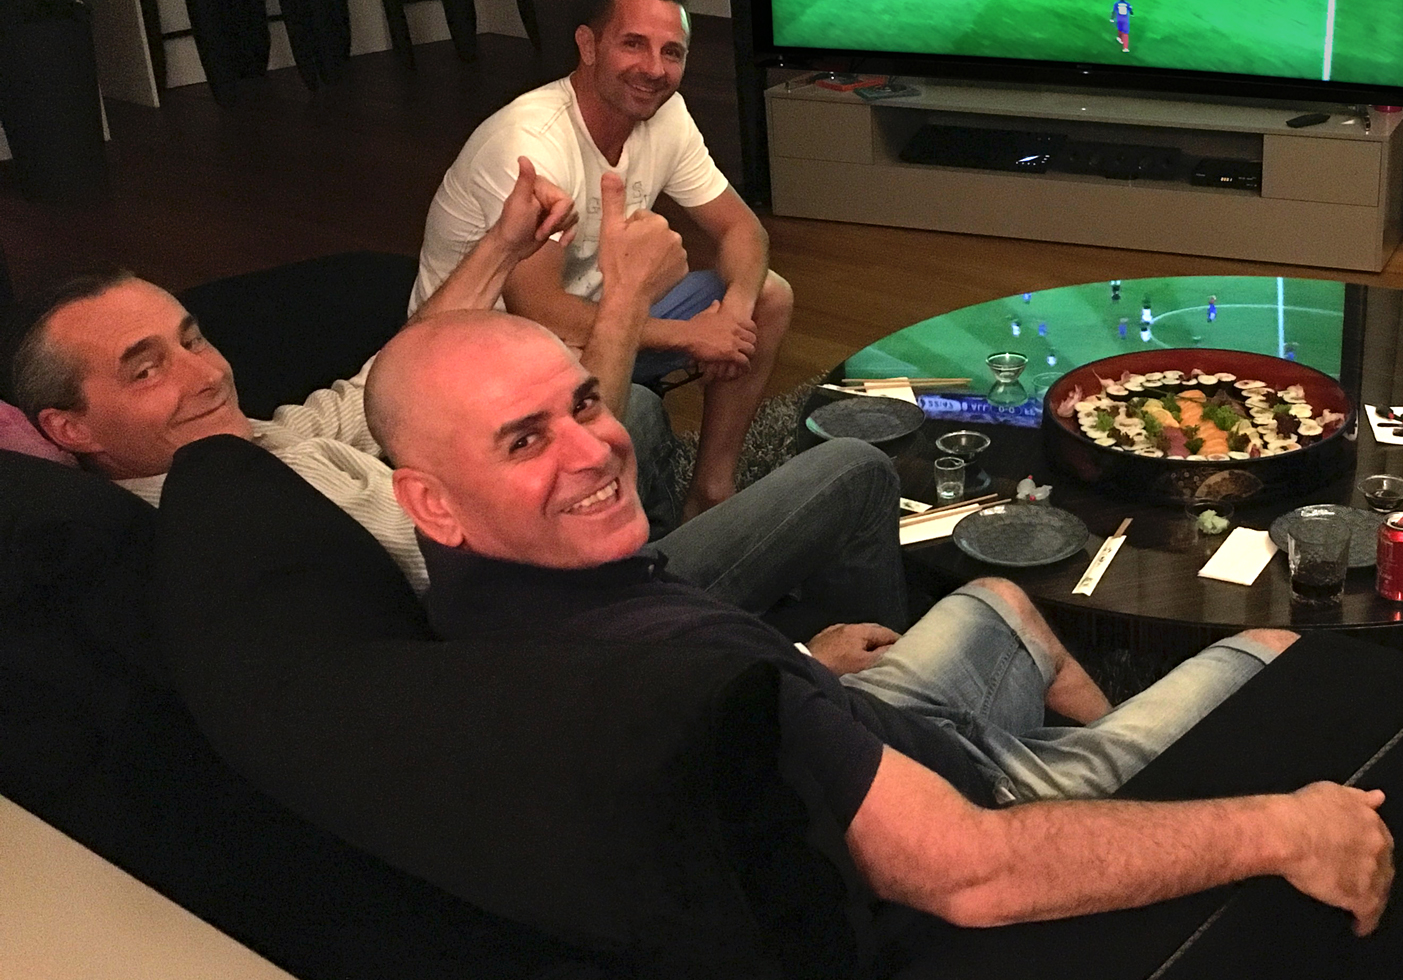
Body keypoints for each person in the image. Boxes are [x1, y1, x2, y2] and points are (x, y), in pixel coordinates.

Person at [365, 310, 1397, 933]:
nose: (594, 450)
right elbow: (969, 872)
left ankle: (1119, 754)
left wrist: (800, 660)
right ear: (430, 501)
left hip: (859, 718)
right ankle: (1109, 782)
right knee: (1279, 651)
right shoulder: (676, 671)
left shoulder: (483, 595)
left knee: (1000, 600)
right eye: (524, 441)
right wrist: (1276, 826)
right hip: (981, 805)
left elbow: (739, 694)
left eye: (586, 404)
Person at [10, 166, 911, 635]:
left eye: (192, 337)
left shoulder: (249, 444)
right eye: (146, 370)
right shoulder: (233, 525)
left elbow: (386, 376)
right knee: (851, 470)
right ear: (68, 427)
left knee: (636, 416)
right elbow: (528, 567)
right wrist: (626, 301)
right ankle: (865, 678)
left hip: (553, 561)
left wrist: (503, 243)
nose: (206, 374)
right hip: (574, 610)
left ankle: (709, 571)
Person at [408, 0, 791, 521]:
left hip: (603, 314)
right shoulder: (530, 144)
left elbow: (742, 229)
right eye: (633, 44)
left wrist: (731, 318)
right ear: (588, 46)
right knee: (636, 415)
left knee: (766, 296)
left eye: (672, 52)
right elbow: (539, 309)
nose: (654, 69)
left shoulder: (666, 113)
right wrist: (691, 335)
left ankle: (711, 489)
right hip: (492, 354)